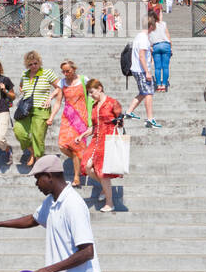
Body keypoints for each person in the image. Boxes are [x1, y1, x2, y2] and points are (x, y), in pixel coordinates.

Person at [79, 79, 123, 211]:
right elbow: (94, 126)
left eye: (92, 92)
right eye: (89, 93)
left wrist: (118, 123)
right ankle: (105, 187)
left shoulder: (112, 102)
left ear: (99, 88)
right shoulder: (94, 106)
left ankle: (110, 203)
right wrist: (82, 135)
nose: (91, 95)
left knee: (102, 173)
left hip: (108, 139)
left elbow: (120, 122)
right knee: (87, 166)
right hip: (96, 139)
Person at [47, 58, 91, 188]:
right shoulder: (62, 83)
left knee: (76, 145)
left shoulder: (84, 80)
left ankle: (77, 177)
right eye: (63, 72)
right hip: (68, 116)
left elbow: (95, 94)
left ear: (74, 69)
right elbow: (58, 102)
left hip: (81, 116)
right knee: (62, 145)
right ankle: (78, 160)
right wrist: (51, 117)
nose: (66, 74)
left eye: (68, 71)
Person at [13, 50, 59, 165]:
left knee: (38, 136)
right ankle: (33, 151)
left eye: (35, 63)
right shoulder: (25, 74)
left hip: (42, 109)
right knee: (19, 131)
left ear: (39, 62)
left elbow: (59, 87)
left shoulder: (47, 73)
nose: (33, 66)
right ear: (27, 65)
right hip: (26, 109)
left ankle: (39, 162)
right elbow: (20, 86)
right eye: (30, 64)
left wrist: (50, 97)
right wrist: (24, 90)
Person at [125, 17, 161, 128]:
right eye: (154, 25)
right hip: (141, 70)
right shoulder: (144, 38)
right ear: (151, 26)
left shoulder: (139, 36)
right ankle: (150, 119)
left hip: (137, 69)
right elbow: (141, 56)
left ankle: (129, 112)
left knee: (143, 92)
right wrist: (147, 72)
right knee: (148, 93)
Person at [149, 14, 173, 92]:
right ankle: (164, 85)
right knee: (165, 67)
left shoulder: (150, 26)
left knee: (157, 68)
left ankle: (159, 85)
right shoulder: (163, 24)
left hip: (155, 46)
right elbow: (168, 35)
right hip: (166, 45)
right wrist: (171, 47)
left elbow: (149, 38)